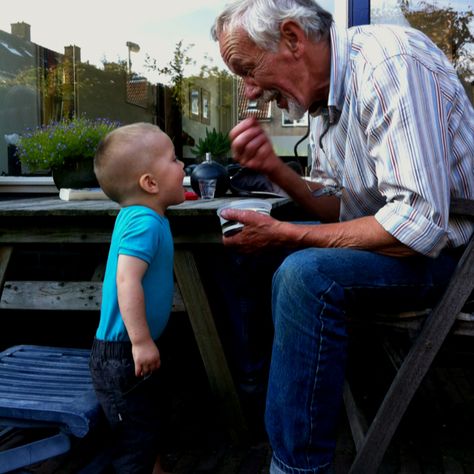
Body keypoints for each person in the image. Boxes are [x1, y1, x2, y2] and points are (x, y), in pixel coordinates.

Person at [212, 1, 474, 473]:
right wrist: (275, 169)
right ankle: (263, 421)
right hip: (392, 244)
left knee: (303, 275)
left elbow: (418, 225)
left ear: (292, 38)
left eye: (248, 70)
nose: (250, 92)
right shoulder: (322, 103)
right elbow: (343, 207)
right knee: (243, 254)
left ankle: (295, 466)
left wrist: (289, 235)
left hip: (450, 257)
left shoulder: (390, 64)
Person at [89, 122, 185, 473]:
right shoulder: (144, 221)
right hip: (122, 354)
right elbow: (127, 279)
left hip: (132, 349)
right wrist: (141, 341)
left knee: (149, 419)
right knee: (134, 437)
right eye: (174, 160)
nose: (183, 166)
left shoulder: (144, 215)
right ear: (150, 183)